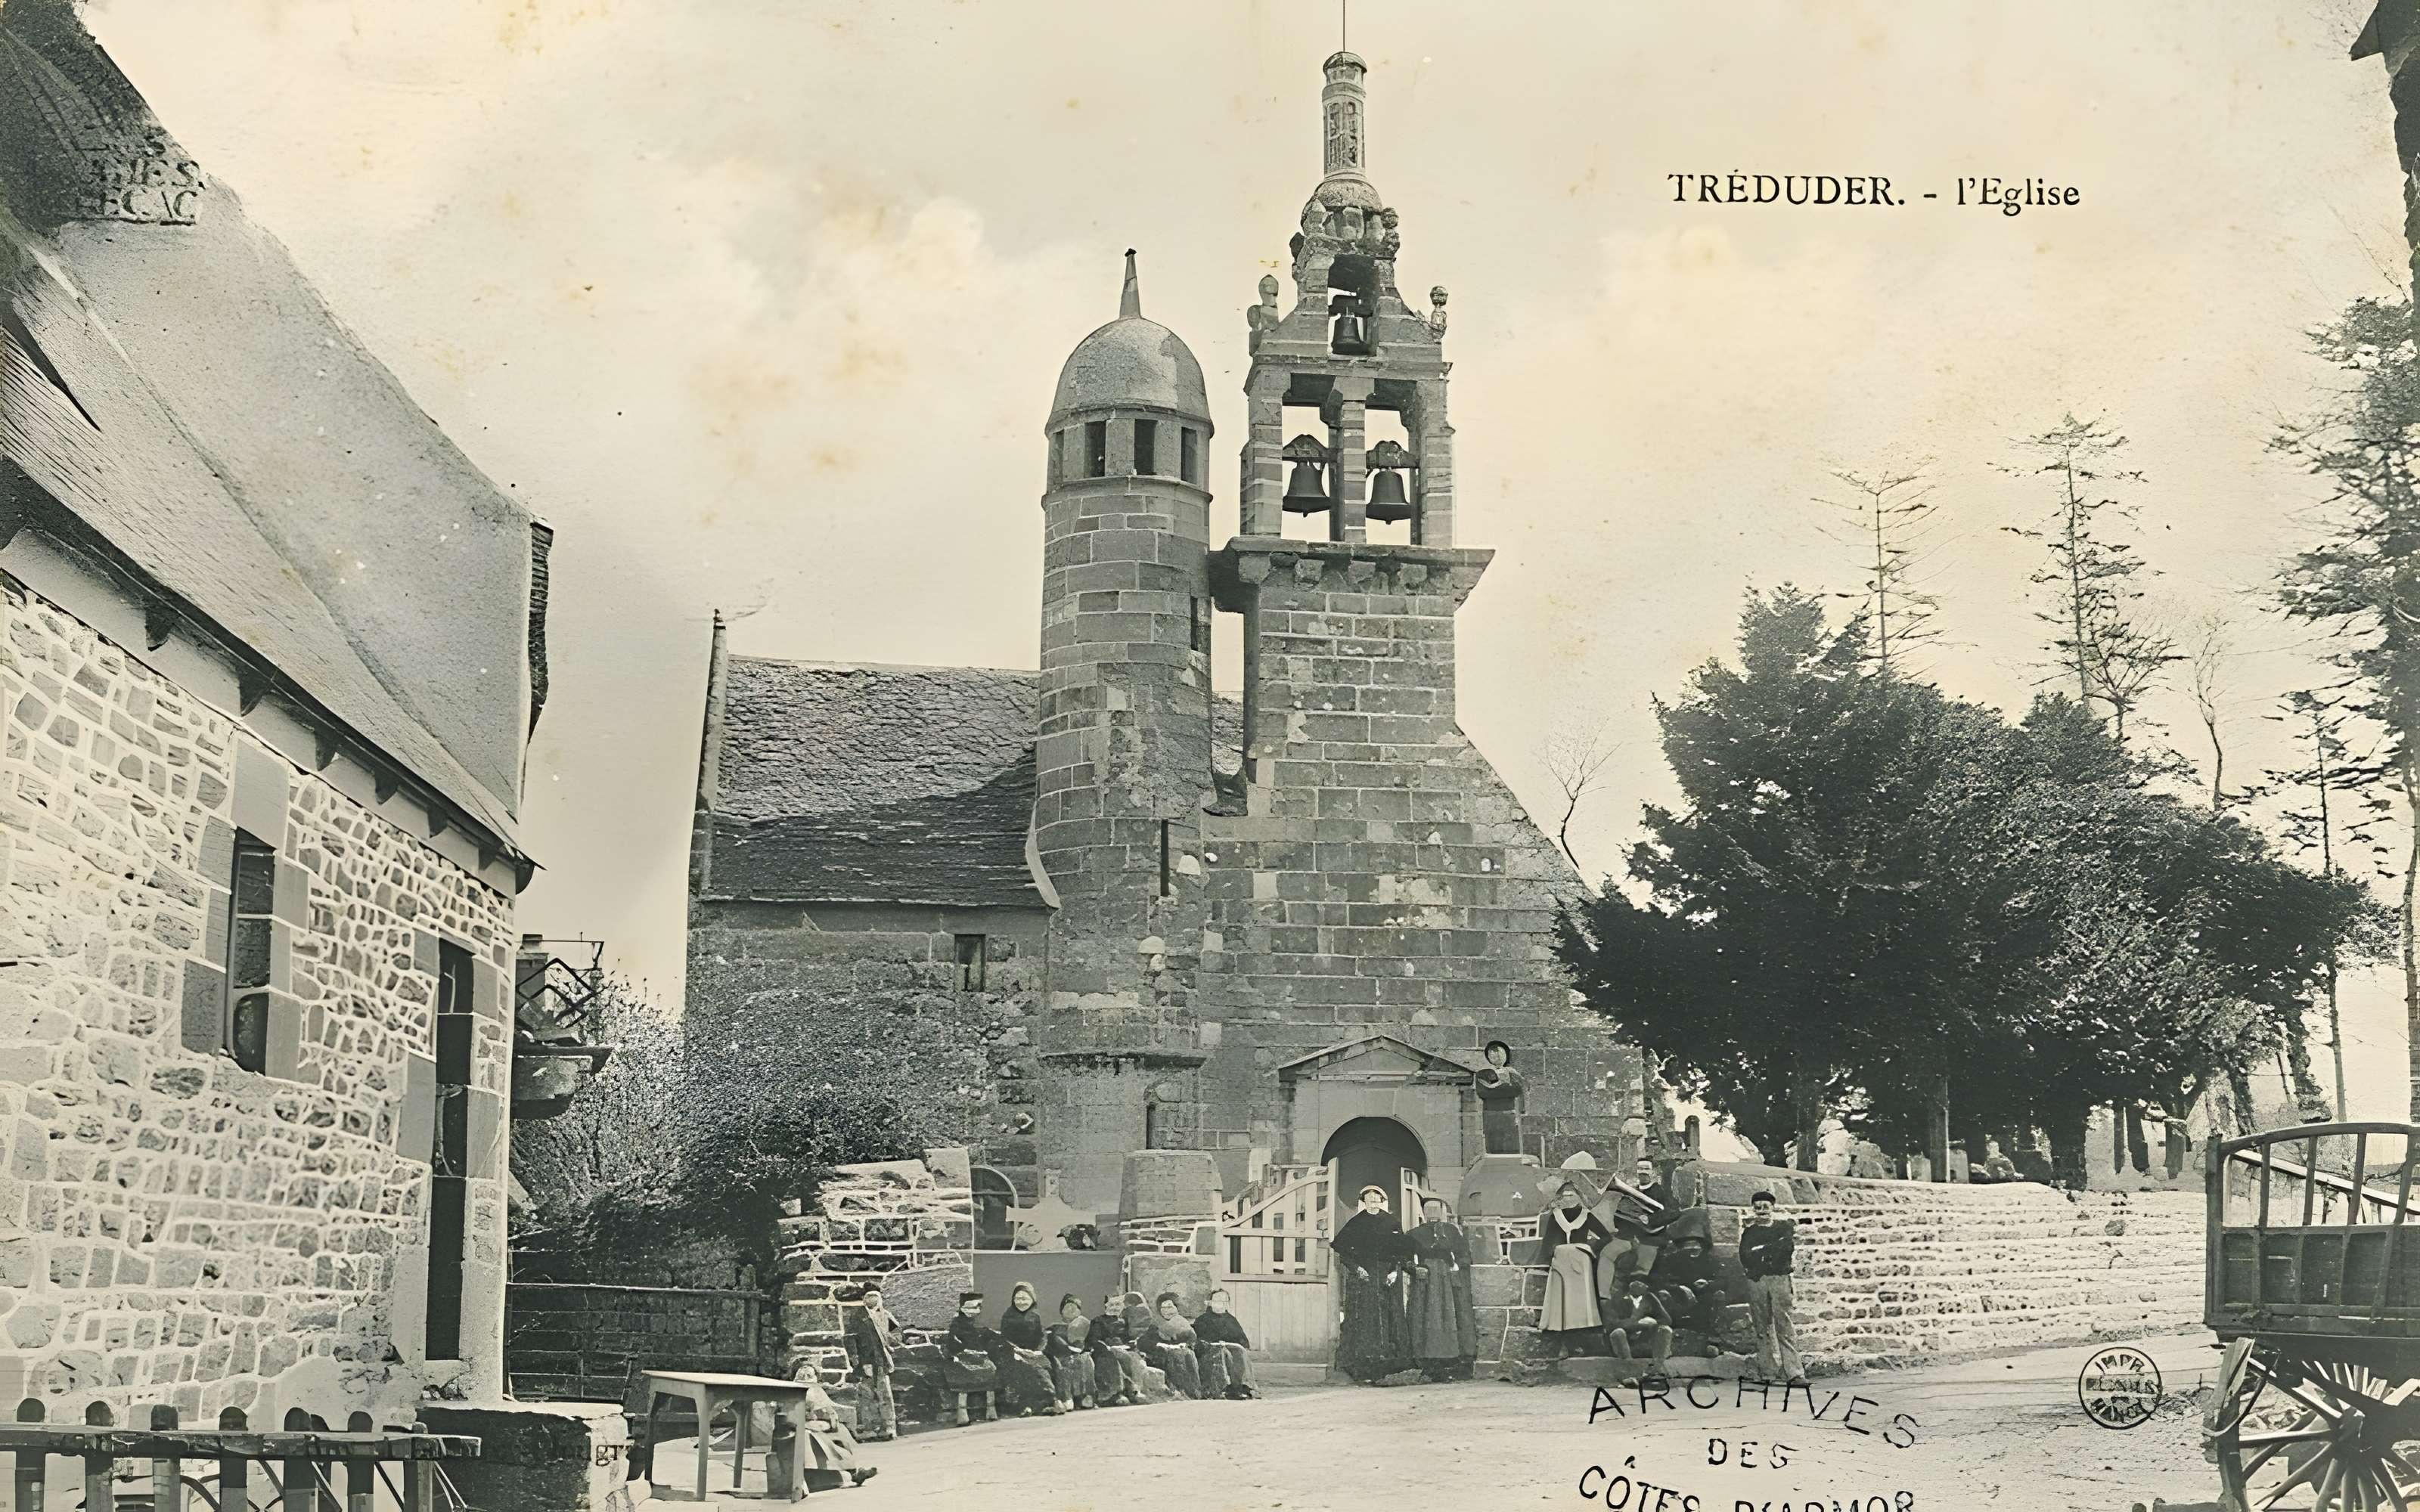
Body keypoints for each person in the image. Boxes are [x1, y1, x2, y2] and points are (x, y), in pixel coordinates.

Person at [1333, 1184, 1413, 1383]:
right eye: (1369, 1199)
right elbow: (1342, 1250)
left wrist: (1394, 1271)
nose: (1373, 1202)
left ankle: (1389, 1368)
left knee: (1389, 1317)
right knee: (1365, 1320)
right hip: (1364, 1278)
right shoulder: (1356, 1223)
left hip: (1387, 1277)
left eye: (1377, 1199)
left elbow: (1401, 1250)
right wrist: (1356, 1268)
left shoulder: (1392, 1222)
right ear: (1364, 1202)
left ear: (1382, 1201)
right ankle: (1364, 1370)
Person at [1404, 1195, 1478, 1381]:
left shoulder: (1451, 1231)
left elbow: (1464, 1255)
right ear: (1423, 1213)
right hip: (1425, 1283)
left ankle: (1455, 1362)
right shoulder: (1414, 1234)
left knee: (1453, 1317)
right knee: (1426, 1317)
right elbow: (1403, 1258)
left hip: (1449, 1282)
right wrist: (1414, 1268)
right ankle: (1428, 1363)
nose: (1432, 1213)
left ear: (1443, 1211)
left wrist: (1456, 1266)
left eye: (1436, 1209)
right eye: (1428, 1209)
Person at [1537, 1179, 1612, 1359]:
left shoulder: (1586, 1215)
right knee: (1561, 1305)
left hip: (1581, 1261)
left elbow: (1606, 1237)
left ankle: (1581, 1344)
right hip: (1561, 1261)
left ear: (1579, 1197)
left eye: (1572, 1195)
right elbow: (1548, 1241)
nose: (1568, 1198)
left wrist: (1589, 1247)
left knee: (1580, 1305)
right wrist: (1549, 1257)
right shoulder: (1556, 1216)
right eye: (1565, 1195)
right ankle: (1564, 1345)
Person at [1738, 1191, 1804, 1383]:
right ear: (1753, 1210)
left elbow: (1785, 1250)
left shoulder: (1783, 1228)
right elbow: (1745, 1256)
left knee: (1784, 1324)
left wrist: (1760, 1251)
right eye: (1757, 1207)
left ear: (1772, 1208)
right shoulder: (1749, 1232)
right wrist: (1767, 1252)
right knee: (1762, 1325)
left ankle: (1794, 1373)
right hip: (1757, 1281)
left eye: (1765, 1207)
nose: (1761, 1211)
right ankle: (1768, 1372)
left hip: (1779, 1279)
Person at [786, 1374, 878, 1491]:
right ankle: (851, 1476)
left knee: (839, 1435)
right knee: (818, 1442)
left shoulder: (815, 1393)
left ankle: (852, 1471)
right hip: (800, 1432)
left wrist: (828, 1419)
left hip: (815, 1428)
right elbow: (791, 1421)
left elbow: (825, 1410)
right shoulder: (791, 1398)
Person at [993, 1282, 1066, 1415]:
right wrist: (1017, 1350)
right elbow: (1005, 1338)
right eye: (1018, 1298)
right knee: (1026, 1369)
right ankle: (1027, 1405)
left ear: (1032, 1299)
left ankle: (1051, 1401)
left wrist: (1039, 1350)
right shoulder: (1008, 1316)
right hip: (1014, 1353)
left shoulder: (1035, 1315)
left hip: (1034, 1352)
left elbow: (1041, 1335)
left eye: (1025, 1299)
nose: (1021, 1302)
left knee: (1048, 1365)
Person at [839, 1282, 901, 1442]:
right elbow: (849, 1338)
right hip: (865, 1361)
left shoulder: (885, 1316)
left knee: (885, 1394)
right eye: (869, 1297)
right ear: (863, 1299)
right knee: (867, 1395)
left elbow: (897, 1332)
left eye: (876, 1297)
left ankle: (889, 1428)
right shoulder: (856, 1317)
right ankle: (870, 1428)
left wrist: (891, 1342)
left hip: (881, 1361)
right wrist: (855, 1359)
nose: (873, 1300)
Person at [1649, 1233, 1730, 1337]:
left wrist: (1708, 1284)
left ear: (1703, 1246)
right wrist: (1678, 1288)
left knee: (1708, 1301)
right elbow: (1657, 1279)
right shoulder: (1672, 1259)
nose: (1693, 1248)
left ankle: (1705, 1337)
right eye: (1688, 1245)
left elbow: (1723, 1281)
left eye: (1696, 1244)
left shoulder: (1711, 1260)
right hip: (1676, 1295)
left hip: (1703, 1296)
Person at [942, 1291, 1005, 1424]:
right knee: (964, 1382)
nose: (976, 1311)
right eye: (971, 1307)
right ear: (962, 1308)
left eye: (978, 1307)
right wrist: (963, 1351)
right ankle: (963, 1413)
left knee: (991, 1371)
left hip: (979, 1357)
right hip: (965, 1359)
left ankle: (991, 1410)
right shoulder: (957, 1324)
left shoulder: (975, 1324)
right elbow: (953, 1343)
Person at [1125, 1291, 1204, 1398]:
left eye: (1170, 1307)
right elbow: (1143, 1342)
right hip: (1160, 1359)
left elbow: (1193, 1343)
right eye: (1163, 1308)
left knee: (1184, 1354)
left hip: (1182, 1358)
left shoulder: (1186, 1326)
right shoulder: (1156, 1326)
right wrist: (1159, 1345)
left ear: (1177, 1308)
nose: (1167, 1311)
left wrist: (1183, 1346)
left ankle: (1190, 1392)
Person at [1602, 1269, 1674, 1384]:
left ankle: (1656, 1372)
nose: (1638, 1285)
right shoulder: (1618, 1299)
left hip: (1644, 1341)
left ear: (1647, 1287)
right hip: (1624, 1343)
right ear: (1630, 1285)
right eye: (1635, 1282)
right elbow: (1612, 1324)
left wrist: (1653, 1321)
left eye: (1642, 1283)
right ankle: (1630, 1375)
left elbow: (1667, 1319)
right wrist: (1639, 1325)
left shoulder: (1650, 1298)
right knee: (1618, 1332)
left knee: (1665, 1330)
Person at [1085, 1287, 1148, 1405]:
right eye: (1112, 1304)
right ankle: (1118, 1392)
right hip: (1105, 1351)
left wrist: (1131, 1344)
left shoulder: (1124, 1322)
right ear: (1106, 1306)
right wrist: (1108, 1346)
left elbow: (1129, 1338)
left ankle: (1135, 1391)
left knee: (1134, 1357)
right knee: (1122, 1358)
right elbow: (1094, 1339)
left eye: (1118, 1304)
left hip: (1123, 1349)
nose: (1114, 1307)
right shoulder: (1098, 1321)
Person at [1192, 1289, 1258, 1399]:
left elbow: (1242, 1340)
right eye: (1217, 1300)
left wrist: (1239, 1345)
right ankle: (1223, 1388)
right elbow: (1201, 1339)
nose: (1220, 1303)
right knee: (1224, 1354)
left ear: (1227, 1304)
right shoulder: (1202, 1320)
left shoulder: (1232, 1320)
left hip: (1232, 1350)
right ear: (1211, 1302)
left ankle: (1241, 1387)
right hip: (1211, 1351)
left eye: (1224, 1301)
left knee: (1239, 1353)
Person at [1044, 1293, 1099, 1411]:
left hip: (1081, 1355)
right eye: (1067, 1307)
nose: (1071, 1310)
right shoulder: (1054, 1328)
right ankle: (1066, 1398)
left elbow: (1092, 1343)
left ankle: (1087, 1396)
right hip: (1062, 1356)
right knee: (1063, 1365)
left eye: (1075, 1308)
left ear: (1080, 1311)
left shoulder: (1087, 1326)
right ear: (1061, 1311)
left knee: (1086, 1360)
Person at [1475, 1041, 1527, 1155]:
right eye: (1493, 1055)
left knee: (1511, 1143)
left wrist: (1495, 1087)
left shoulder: (1512, 1073)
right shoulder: (1483, 1073)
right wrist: (1502, 1085)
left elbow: (1516, 1090)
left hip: (1510, 1113)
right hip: (1490, 1113)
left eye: (1499, 1054)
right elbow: (1483, 1092)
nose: (1496, 1057)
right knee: (1493, 1142)